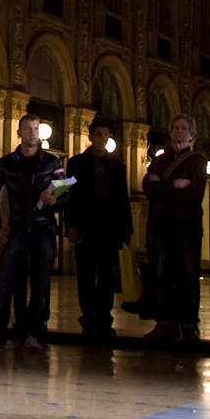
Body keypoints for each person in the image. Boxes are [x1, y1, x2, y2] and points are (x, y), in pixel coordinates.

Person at [0, 113, 67, 352]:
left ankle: (32, 334)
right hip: (17, 228)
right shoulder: (6, 163)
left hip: (44, 229)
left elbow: (66, 194)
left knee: (40, 285)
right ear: (19, 133)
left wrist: (54, 201)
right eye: (28, 129)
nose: (32, 133)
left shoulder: (52, 163)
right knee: (4, 282)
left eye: (36, 128)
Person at [142, 114, 208, 341]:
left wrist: (163, 188)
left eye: (184, 128)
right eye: (176, 128)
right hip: (161, 226)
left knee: (188, 275)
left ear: (192, 134)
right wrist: (175, 185)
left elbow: (194, 193)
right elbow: (148, 188)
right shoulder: (159, 160)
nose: (180, 131)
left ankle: (189, 324)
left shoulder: (198, 161)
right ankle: (164, 322)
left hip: (188, 227)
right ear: (170, 132)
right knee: (160, 273)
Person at [66, 117, 131, 338]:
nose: (102, 138)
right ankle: (88, 316)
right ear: (91, 137)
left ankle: (104, 317)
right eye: (99, 134)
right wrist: (71, 225)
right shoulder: (76, 164)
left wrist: (126, 230)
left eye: (105, 135)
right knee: (85, 274)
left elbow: (123, 199)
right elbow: (69, 195)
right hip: (85, 227)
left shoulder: (117, 166)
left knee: (107, 275)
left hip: (109, 228)